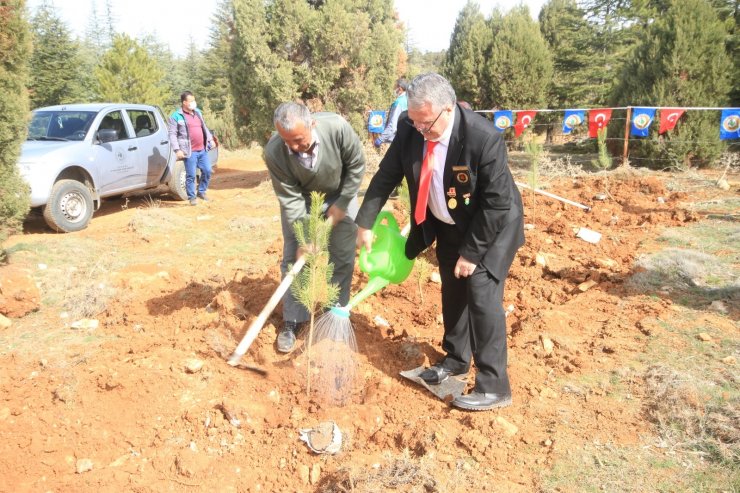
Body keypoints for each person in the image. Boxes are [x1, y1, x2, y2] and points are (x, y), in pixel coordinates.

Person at [356, 73, 524, 411]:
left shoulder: (483, 138)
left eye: (425, 124)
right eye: (415, 122)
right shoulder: (410, 126)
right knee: (452, 290)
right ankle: (456, 360)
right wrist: (365, 222)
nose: (419, 130)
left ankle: (494, 386)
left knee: (480, 294)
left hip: (490, 228)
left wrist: (472, 253)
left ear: (447, 109)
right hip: (447, 223)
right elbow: (386, 175)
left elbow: (496, 204)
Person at [264, 102, 366, 353]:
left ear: (313, 124)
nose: (295, 147)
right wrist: (303, 237)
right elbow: (289, 198)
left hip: (341, 193)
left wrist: (342, 203)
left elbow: (356, 165)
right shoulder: (275, 151)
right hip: (302, 200)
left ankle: (335, 314)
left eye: (300, 140)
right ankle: (293, 320)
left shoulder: (337, 128)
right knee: (294, 258)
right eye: (289, 142)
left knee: (342, 256)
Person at [168, 91, 215, 206]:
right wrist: (177, 150)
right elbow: (172, 134)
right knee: (191, 175)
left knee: (207, 170)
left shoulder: (198, 112)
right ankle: (192, 197)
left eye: (194, 100)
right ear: (184, 102)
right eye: (191, 101)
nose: (194, 103)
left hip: (202, 149)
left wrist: (210, 139)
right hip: (189, 151)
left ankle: (201, 191)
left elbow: (204, 127)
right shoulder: (176, 116)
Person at [373, 78, 408, 148]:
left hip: (397, 140)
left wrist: (380, 139)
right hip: (405, 138)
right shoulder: (408, 100)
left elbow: (393, 126)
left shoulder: (399, 103)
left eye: (395, 87)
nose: (394, 89)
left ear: (400, 89)